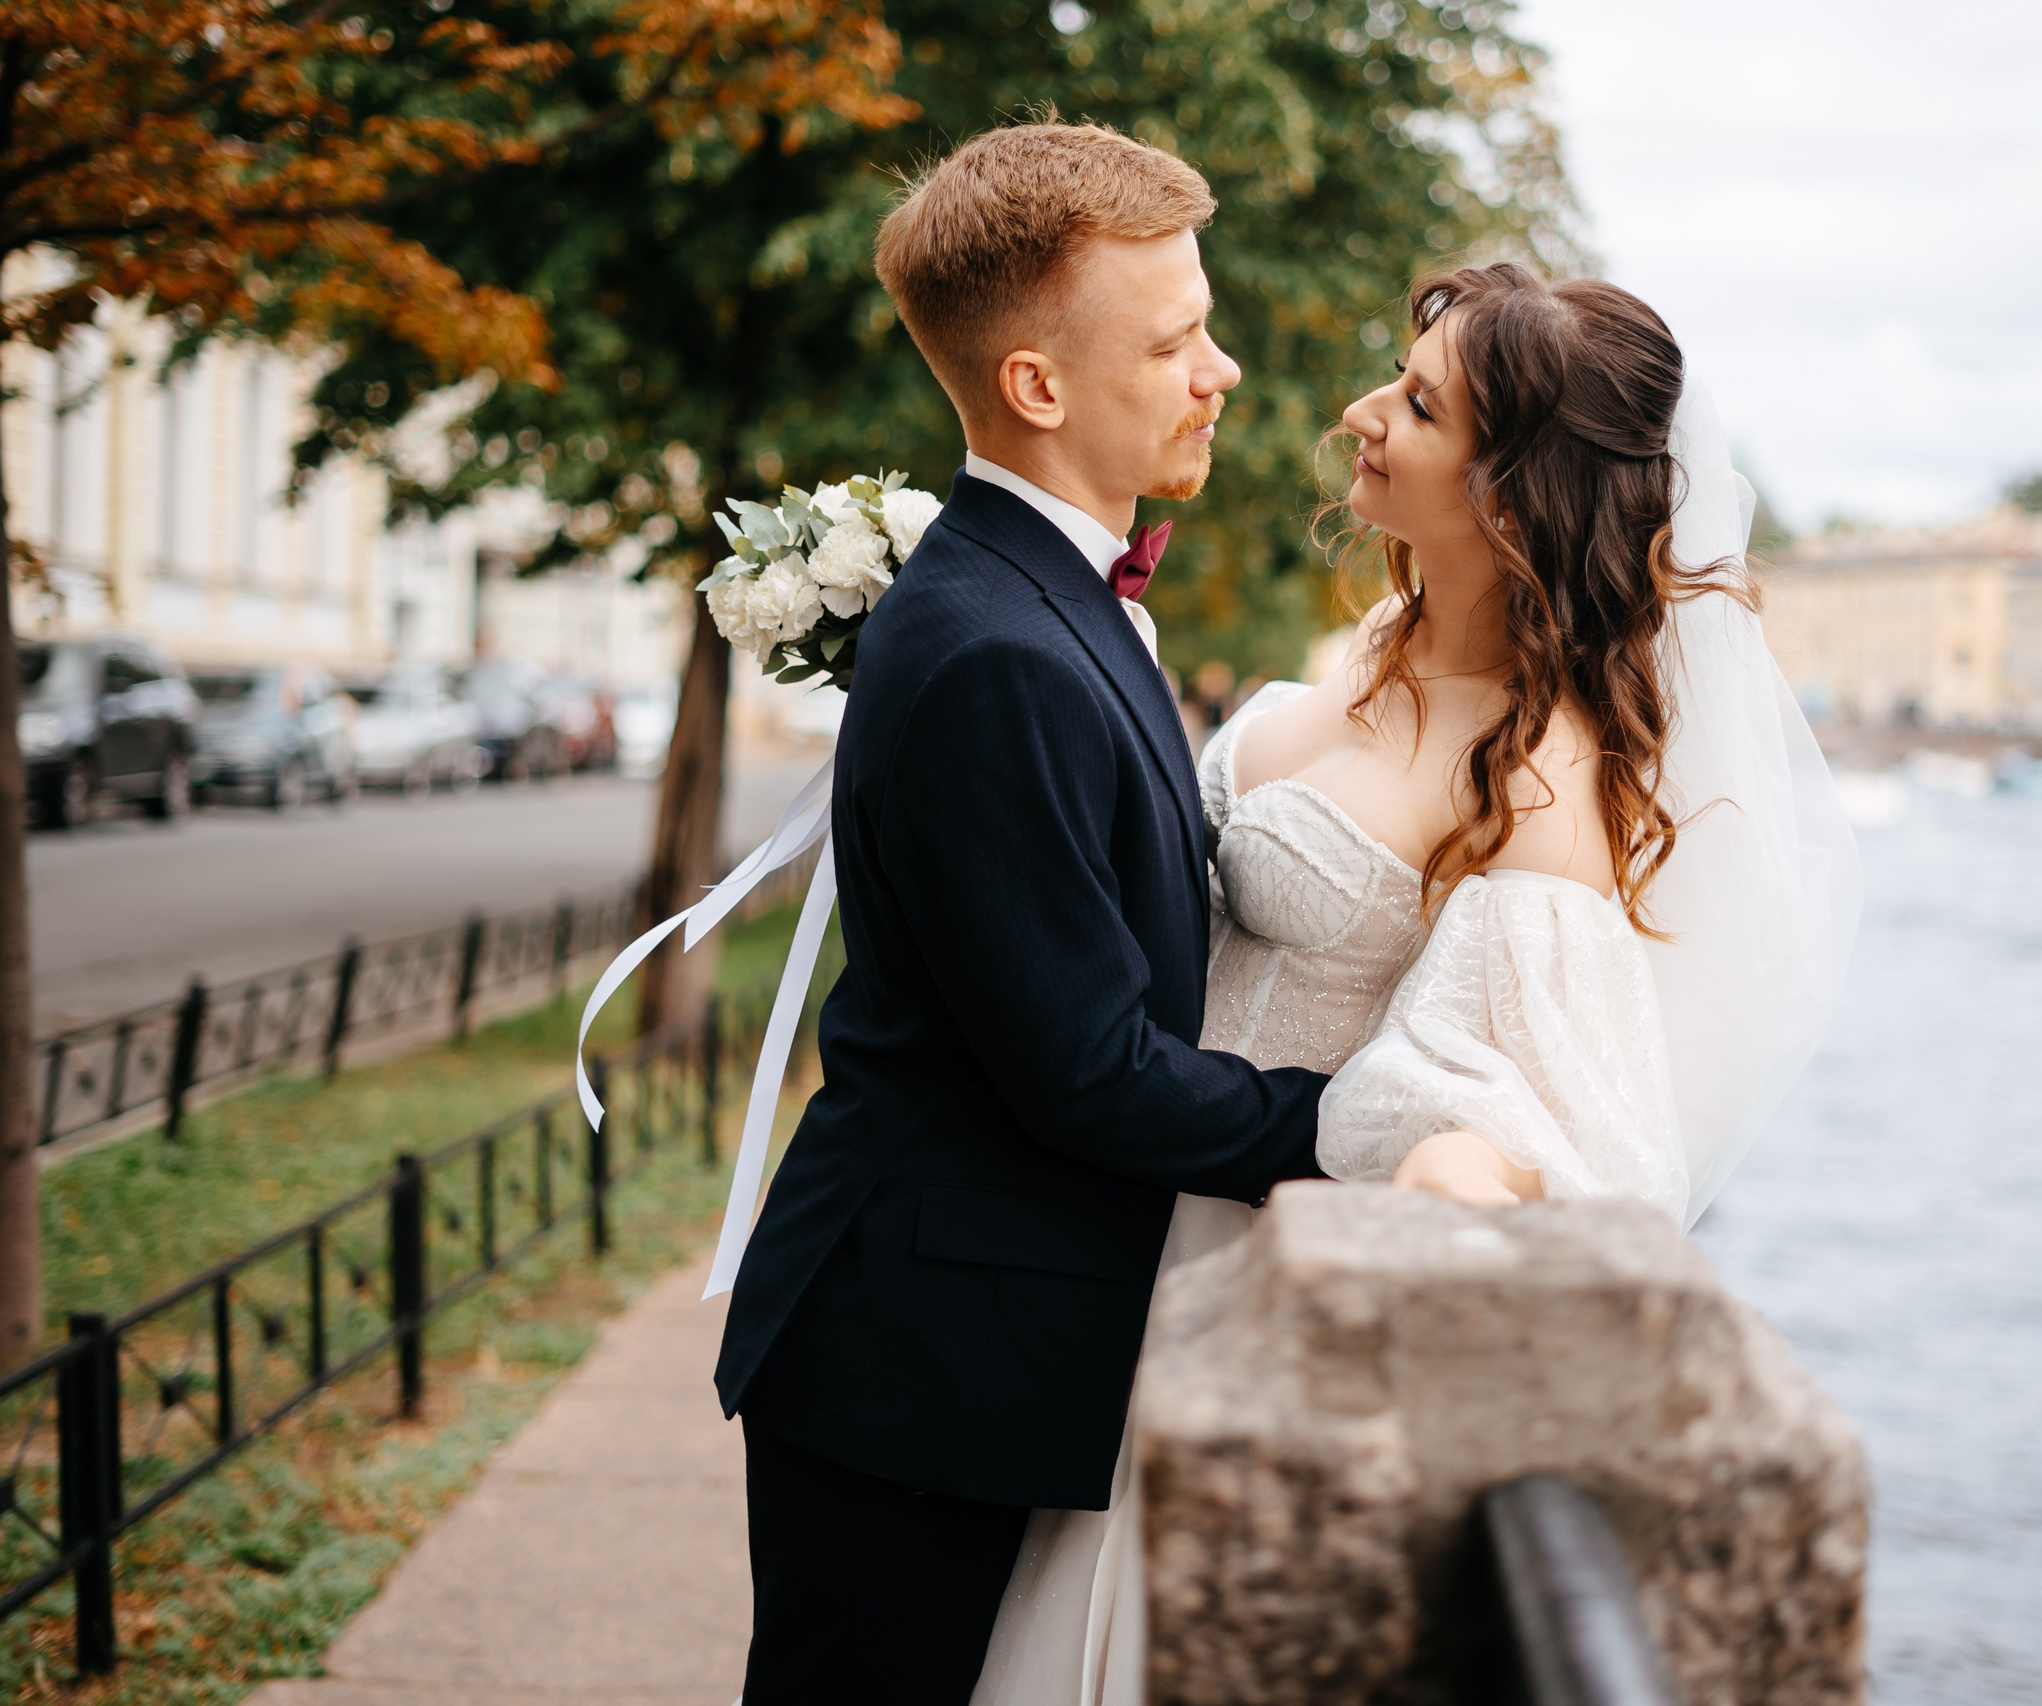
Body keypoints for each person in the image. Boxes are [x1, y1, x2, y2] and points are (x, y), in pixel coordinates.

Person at [966, 266, 1859, 1704]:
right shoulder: (1364, 651)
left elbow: (1542, 1114)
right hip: (1109, 1235)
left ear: (1510, 497)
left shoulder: (1544, 769)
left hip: (1247, 1263)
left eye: (1420, 404)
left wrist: (1459, 1163)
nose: (1361, 412)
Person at [710, 123, 1333, 1704]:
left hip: (958, 1334)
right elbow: (1089, 1070)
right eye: (1179, 337)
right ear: (1038, 388)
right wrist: (1363, 1123)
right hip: (916, 1365)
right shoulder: (999, 646)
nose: (1226, 370)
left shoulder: (1044, 587)